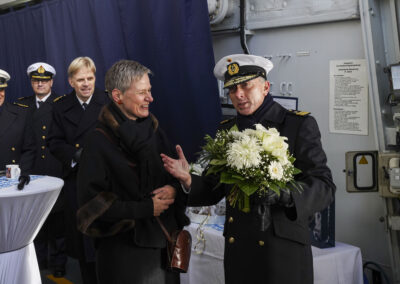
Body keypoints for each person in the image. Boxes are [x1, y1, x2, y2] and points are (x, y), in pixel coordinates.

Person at [161, 54, 336, 284]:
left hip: (281, 251)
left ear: (265, 87)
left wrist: (285, 195)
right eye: (232, 89)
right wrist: (189, 181)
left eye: (246, 85)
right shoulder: (228, 130)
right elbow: (215, 186)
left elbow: (324, 186)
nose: (238, 95)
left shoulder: (296, 125)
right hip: (240, 247)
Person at [76, 59, 189, 284]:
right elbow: (91, 206)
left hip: (161, 249)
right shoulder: (98, 141)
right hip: (123, 256)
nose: (150, 98)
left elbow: (170, 179)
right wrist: (146, 208)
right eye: (142, 93)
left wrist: (176, 188)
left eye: (149, 91)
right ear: (118, 96)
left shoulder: (155, 131)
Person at [48, 57, 108, 284]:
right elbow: (53, 141)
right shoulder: (61, 106)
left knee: (107, 243)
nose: (86, 84)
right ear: (71, 81)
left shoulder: (109, 101)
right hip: (77, 182)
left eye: (90, 78)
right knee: (85, 247)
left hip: (106, 182)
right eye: (80, 79)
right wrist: (75, 155)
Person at [18, 62, 66, 277]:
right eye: (36, 80)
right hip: (31, 169)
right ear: (31, 82)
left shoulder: (62, 103)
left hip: (55, 168)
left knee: (57, 220)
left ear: (51, 82)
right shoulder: (21, 105)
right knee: (33, 219)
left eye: (44, 80)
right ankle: (38, 262)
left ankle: (58, 263)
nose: (40, 83)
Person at [0, 69, 34, 189]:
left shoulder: (21, 113)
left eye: (1, 89)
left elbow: (29, 149)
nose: (0, 94)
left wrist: (23, 173)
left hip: (12, 182)